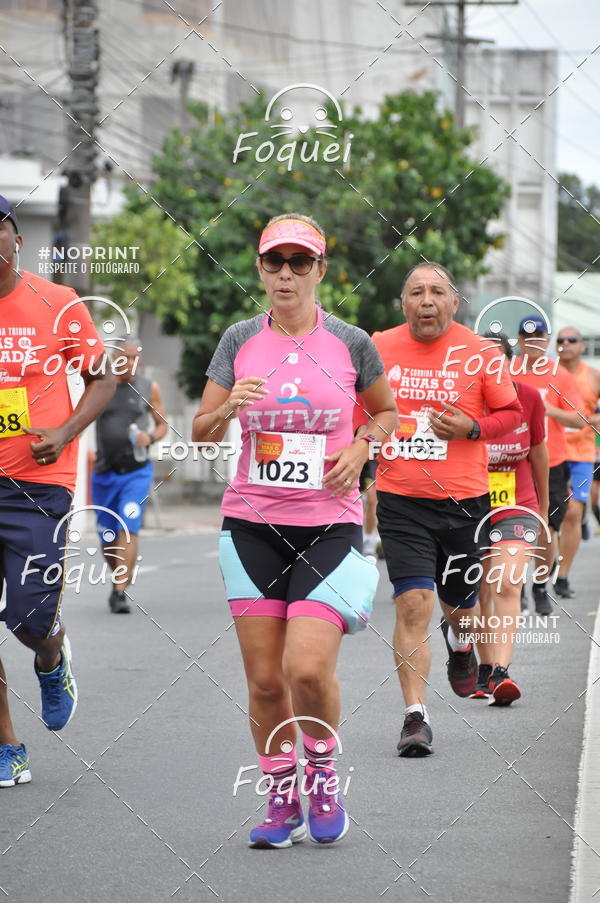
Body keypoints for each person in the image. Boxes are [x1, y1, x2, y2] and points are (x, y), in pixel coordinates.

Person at [193, 213, 397, 847]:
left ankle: (324, 775)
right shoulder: (238, 341)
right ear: (260, 269)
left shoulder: (352, 342)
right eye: (274, 262)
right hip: (251, 526)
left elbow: (388, 412)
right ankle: (282, 799)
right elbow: (201, 430)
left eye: (299, 263)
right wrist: (229, 407)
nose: (286, 274)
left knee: (306, 670)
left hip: (329, 526)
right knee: (263, 679)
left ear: (320, 271)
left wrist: (363, 446)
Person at [372, 262, 523, 757]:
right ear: (404, 304)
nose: (427, 300)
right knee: (413, 603)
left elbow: (511, 415)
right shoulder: (378, 345)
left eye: (437, 291)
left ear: (454, 303)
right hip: (401, 500)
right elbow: (362, 411)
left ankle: (462, 646)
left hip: (464, 501)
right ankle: (415, 717)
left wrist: (471, 429)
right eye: (416, 292)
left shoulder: (481, 353)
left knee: (460, 607)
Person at [0, 195, 115, 787]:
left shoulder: (58, 304)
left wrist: (67, 430)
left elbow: (103, 375)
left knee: (28, 616)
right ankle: (6, 746)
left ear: (16, 239)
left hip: (37, 484)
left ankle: (51, 656)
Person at [471, 332, 548, 705]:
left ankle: (501, 672)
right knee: (478, 591)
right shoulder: (460, 402)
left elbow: (538, 454)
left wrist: (544, 509)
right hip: (467, 505)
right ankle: (483, 668)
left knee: (505, 583)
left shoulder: (529, 398)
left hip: (516, 504)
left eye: (497, 362)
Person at [515, 316, 585, 614]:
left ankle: (540, 585)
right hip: (511, 461)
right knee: (512, 527)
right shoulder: (507, 370)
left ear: (546, 340)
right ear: (519, 340)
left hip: (551, 461)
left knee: (547, 529)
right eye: (526, 336)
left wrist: (547, 408)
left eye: (539, 336)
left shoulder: (558, 375)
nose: (533, 342)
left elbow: (578, 419)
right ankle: (514, 587)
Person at [91, 340, 168, 614]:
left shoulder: (149, 388)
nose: (132, 363)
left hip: (136, 472)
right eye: (127, 357)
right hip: (103, 473)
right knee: (108, 535)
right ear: (114, 358)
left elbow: (162, 425)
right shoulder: (101, 386)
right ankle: (118, 579)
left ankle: (119, 592)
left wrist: (150, 437)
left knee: (128, 526)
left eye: (137, 358)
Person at [555, 328, 600, 597]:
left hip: (581, 455)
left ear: (582, 346)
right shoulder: (546, 374)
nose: (566, 344)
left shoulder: (593, 376)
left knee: (572, 511)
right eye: (560, 340)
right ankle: (547, 562)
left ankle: (562, 576)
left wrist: (588, 421)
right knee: (548, 515)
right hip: (550, 453)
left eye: (572, 340)